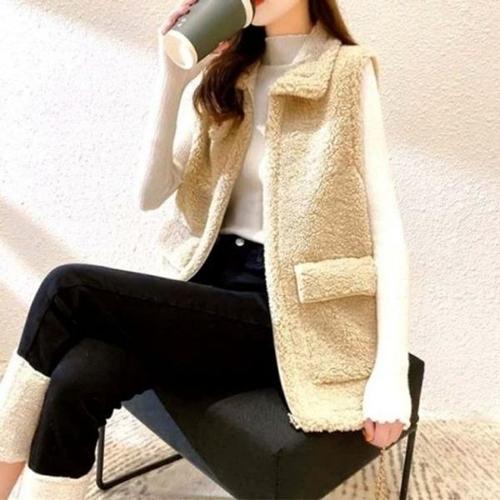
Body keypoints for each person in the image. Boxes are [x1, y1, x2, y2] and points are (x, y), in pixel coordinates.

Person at [0, 0, 411, 498]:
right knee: (77, 377)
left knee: (68, 288)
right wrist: (173, 79)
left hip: (281, 315)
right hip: (209, 295)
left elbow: (386, 228)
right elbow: (150, 195)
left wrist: (390, 376)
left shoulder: (347, 71)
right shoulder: (233, 75)